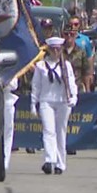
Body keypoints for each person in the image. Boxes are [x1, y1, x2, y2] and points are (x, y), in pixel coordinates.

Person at [31, 36, 77, 175]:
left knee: (60, 132)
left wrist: (74, 97)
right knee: (48, 131)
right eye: (53, 49)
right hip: (46, 100)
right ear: (49, 50)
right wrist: (34, 103)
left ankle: (60, 163)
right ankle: (49, 160)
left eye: (59, 49)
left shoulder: (66, 65)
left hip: (63, 101)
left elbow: (71, 83)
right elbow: (36, 86)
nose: (56, 52)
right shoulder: (41, 66)